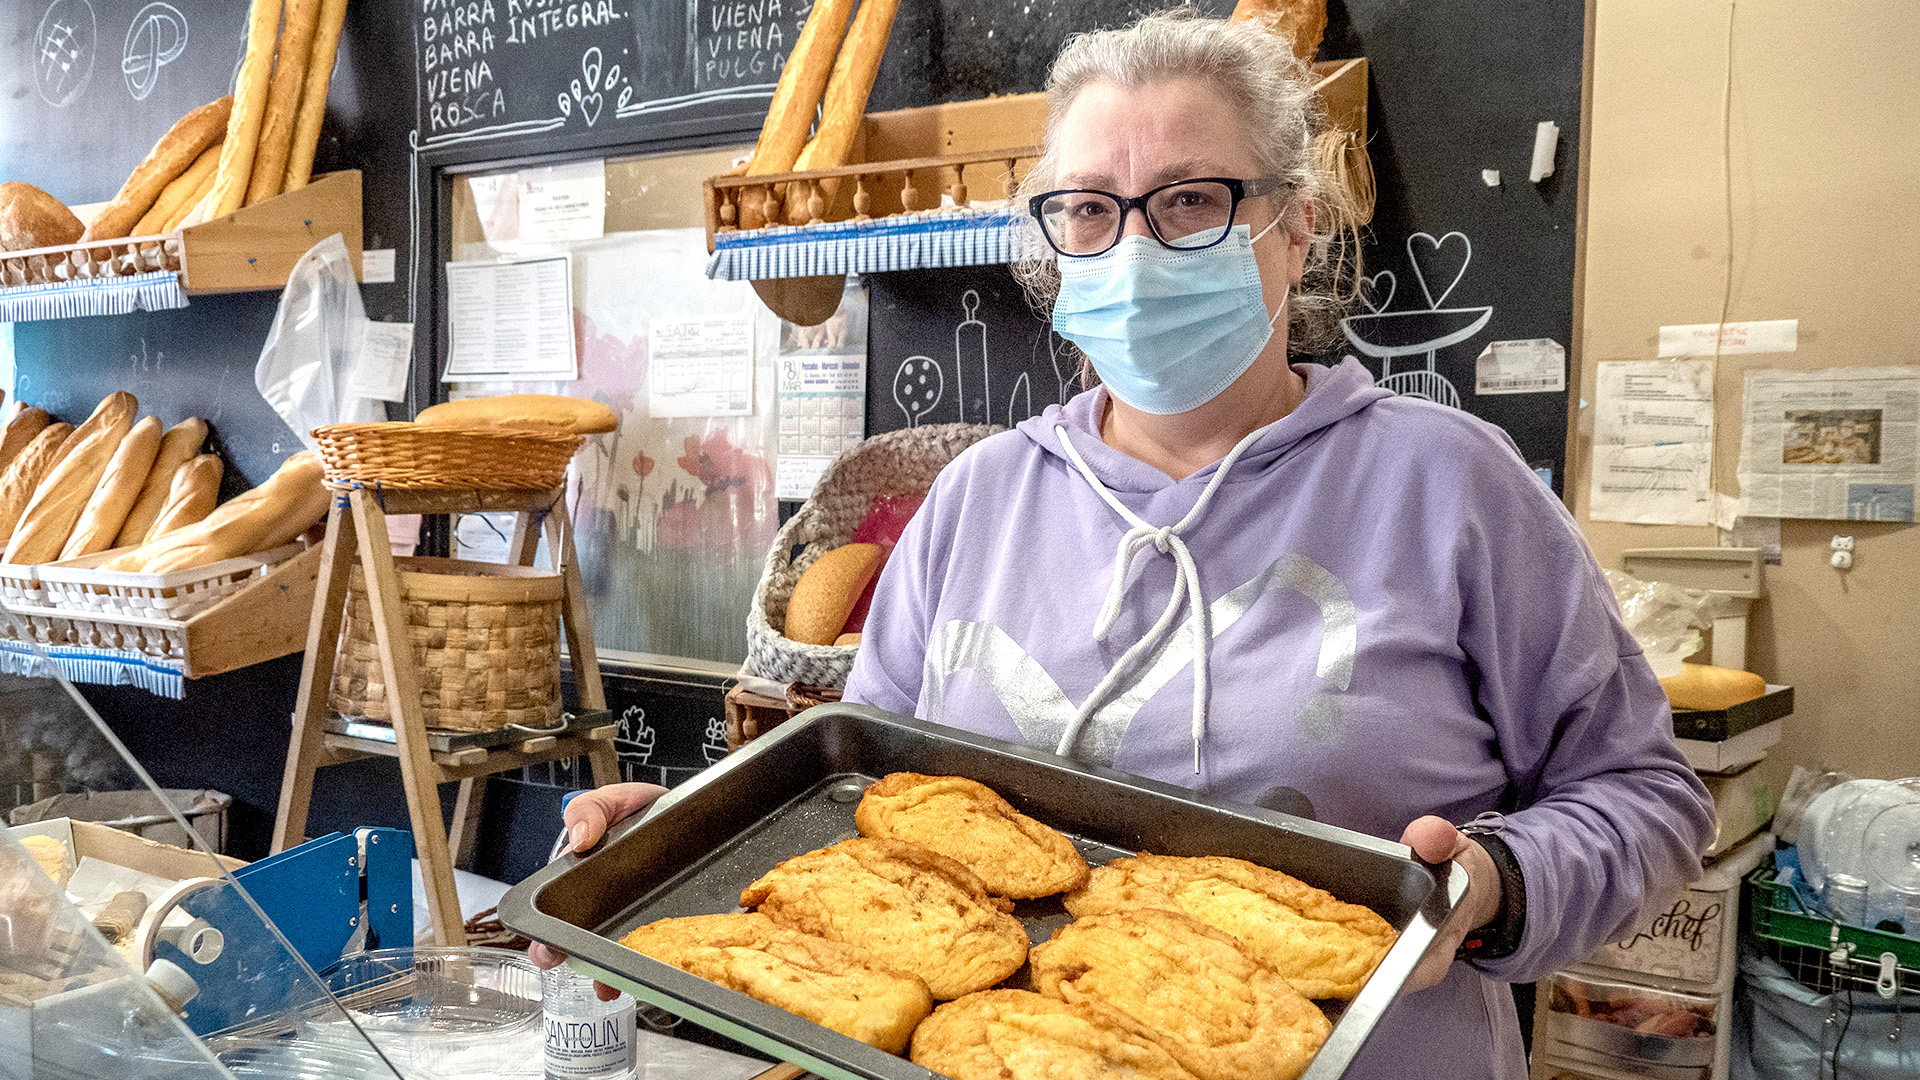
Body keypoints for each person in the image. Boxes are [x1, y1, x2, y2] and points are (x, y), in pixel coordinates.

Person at [540, 11, 1715, 1077]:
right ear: (1054, 245)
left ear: (1296, 229)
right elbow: (877, 808)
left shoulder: (1449, 486)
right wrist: (691, 832)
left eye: (1194, 200)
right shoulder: (978, 500)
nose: (1138, 247)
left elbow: (1645, 793)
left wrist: (1497, 889)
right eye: (1093, 208)